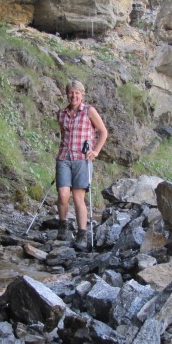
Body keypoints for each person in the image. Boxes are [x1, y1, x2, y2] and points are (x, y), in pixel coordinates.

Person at [55, 79, 108, 250]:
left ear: (82, 95)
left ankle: (82, 234)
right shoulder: (61, 114)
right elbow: (64, 136)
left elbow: (103, 132)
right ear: (67, 94)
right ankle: (63, 226)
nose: (73, 96)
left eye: (77, 93)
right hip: (64, 157)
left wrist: (96, 151)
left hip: (82, 159)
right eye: (71, 92)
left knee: (78, 197)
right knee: (63, 194)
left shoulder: (89, 111)